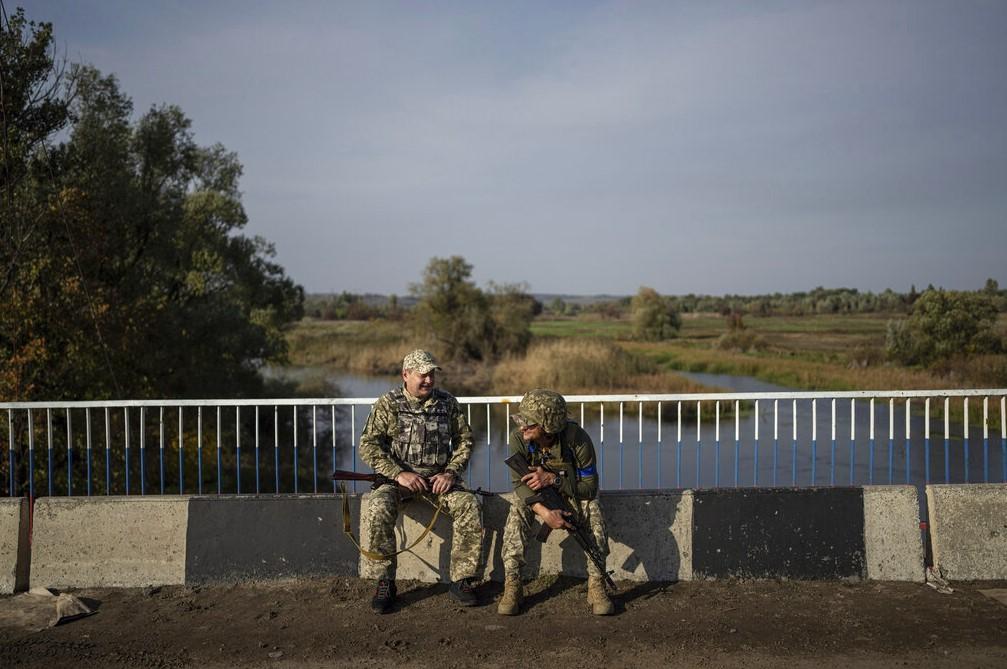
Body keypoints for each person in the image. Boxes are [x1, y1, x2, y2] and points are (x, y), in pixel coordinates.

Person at [358, 349, 483, 613]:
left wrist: (450, 472)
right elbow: (368, 445)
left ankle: (462, 580)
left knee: (469, 505)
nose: (428, 380)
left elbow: (465, 441)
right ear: (406, 375)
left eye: (431, 374)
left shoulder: (447, 403)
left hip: (440, 482)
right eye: (422, 375)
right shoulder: (389, 403)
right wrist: (397, 473)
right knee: (379, 505)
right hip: (398, 483)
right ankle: (385, 582)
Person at [498, 389, 614, 616]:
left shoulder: (577, 440)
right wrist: (545, 513)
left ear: (548, 425)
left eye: (530, 424)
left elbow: (590, 488)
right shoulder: (518, 439)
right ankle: (513, 583)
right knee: (517, 510)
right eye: (522, 422)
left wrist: (553, 479)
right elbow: (519, 485)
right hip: (537, 498)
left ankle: (596, 583)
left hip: (571, 493)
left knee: (594, 509)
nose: (523, 428)